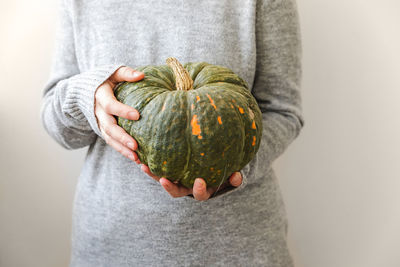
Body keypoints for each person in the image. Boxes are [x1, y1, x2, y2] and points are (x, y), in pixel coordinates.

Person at [41, 0, 304, 266]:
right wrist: (85, 96)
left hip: (235, 249)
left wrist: (230, 171)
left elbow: (282, 111)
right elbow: (60, 130)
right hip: (114, 247)